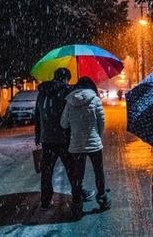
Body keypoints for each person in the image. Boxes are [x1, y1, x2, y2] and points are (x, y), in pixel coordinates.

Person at [33, 68, 94, 210]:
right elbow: (73, 114)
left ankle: (45, 200)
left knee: (47, 171)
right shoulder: (67, 91)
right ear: (66, 78)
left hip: (47, 137)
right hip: (64, 137)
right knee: (73, 169)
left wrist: (38, 135)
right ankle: (78, 195)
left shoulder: (42, 92)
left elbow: (37, 115)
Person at [61, 76, 111, 219]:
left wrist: (74, 127)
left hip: (76, 146)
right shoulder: (95, 100)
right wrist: (97, 135)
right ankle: (102, 198)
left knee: (78, 176)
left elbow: (63, 123)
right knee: (98, 172)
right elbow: (102, 122)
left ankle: (77, 204)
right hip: (94, 144)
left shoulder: (69, 102)